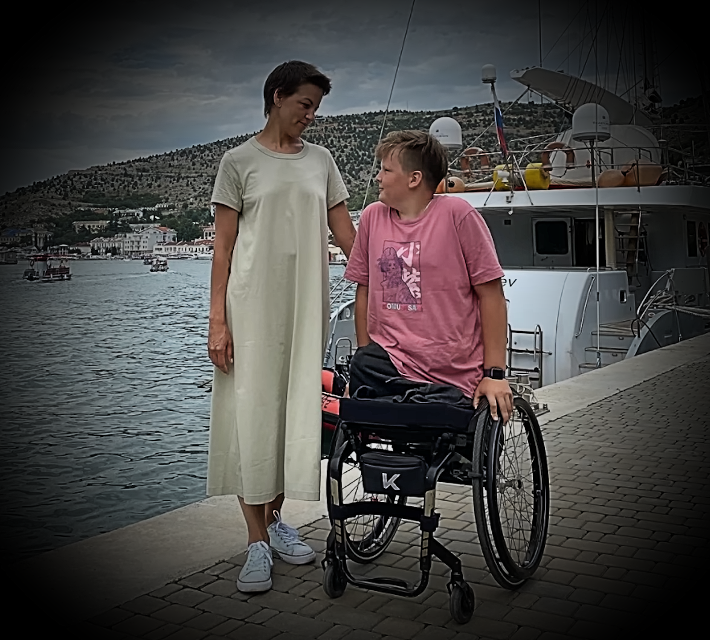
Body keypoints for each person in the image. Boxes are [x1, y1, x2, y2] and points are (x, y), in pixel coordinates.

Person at [207, 60, 356, 593]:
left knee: (295, 415)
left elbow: (348, 236)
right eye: (304, 104)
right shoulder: (238, 162)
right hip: (250, 309)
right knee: (250, 416)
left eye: (316, 107)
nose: (310, 115)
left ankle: (275, 522)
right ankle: (255, 541)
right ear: (277, 96)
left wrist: (391, 282)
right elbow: (222, 250)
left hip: (305, 307)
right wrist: (217, 321)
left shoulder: (321, 161)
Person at [344, 130, 513, 423]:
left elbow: (491, 295)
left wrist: (495, 374)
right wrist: (360, 375)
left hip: (450, 371)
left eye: (386, 170)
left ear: (414, 179)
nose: (378, 178)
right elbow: (364, 290)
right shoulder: (372, 217)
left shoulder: (458, 214)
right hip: (389, 365)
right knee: (363, 363)